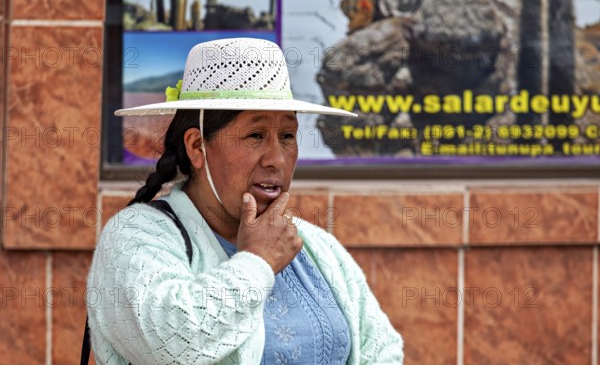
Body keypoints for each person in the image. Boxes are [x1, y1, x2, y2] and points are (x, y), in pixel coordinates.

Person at [87, 38, 404, 364]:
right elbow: (172, 342)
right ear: (198, 147)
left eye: (287, 136)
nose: (276, 160)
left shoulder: (315, 248)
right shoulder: (135, 239)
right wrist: (258, 262)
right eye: (256, 135)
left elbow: (381, 349)